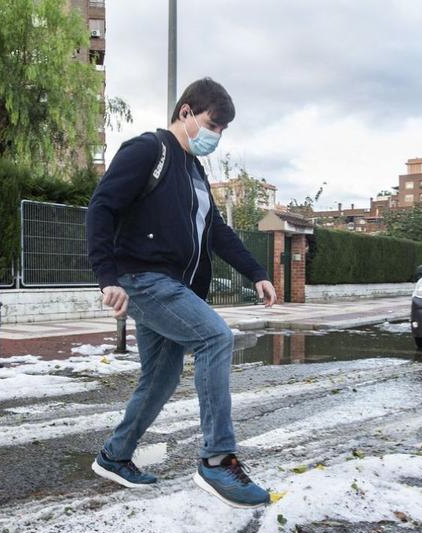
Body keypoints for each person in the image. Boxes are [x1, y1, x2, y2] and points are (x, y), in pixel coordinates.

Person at [84, 78, 278, 509]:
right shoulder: (147, 151)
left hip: (175, 286)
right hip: (143, 279)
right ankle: (216, 459)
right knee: (215, 337)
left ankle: (115, 456)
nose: (217, 136)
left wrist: (256, 272)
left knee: (162, 376)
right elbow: (102, 207)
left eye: (224, 130)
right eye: (213, 124)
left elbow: (217, 233)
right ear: (186, 112)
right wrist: (107, 276)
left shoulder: (195, 171)